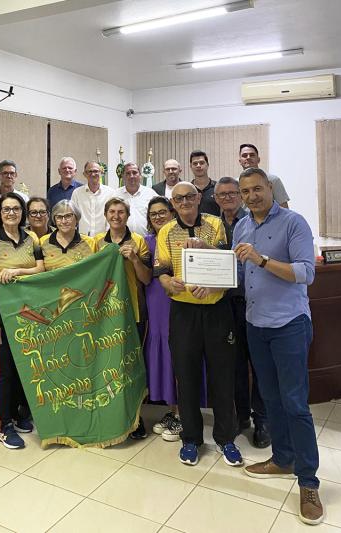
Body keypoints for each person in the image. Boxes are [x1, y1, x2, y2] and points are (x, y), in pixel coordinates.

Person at [232, 167, 321, 525]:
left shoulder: (293, 222)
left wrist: (262, 259)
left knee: (296, 404)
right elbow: (239, 275)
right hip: (256, 325)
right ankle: (282, 459)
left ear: (270, 188)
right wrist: (208, 271)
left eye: (257, 189)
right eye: (245, 191)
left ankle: (309, 481)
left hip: (289, 325)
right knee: (270, 399)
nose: (251, 196)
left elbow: (306, 272)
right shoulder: (241, 227)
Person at [155, 182, 242, 467]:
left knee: (222, 376)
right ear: (173, 202)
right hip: (183, 313)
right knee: (187, 376)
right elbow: (162, 272)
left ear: (199, 197)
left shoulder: (216, 225)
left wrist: (211, 283)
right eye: (178, 198)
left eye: (190, 196)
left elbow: (225, 264)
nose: (185, 202)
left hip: (217, 310)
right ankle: (191, 439)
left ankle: (226, 438)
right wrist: (169, 283)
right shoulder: (166, 231)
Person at [0, 193, 45, 449]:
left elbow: (40, 269)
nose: (11, 213)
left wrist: (17, 270)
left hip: (27, 315)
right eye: (6, 209)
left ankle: (19, 415)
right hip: (3, 316)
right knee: (3, 371)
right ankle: (2, 425)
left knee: (23, 368)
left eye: (16, 208)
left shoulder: (32, 238)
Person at [214, 177, 269, 449]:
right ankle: (242, 416)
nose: (228, 198)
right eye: (221, 194)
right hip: (226, 304)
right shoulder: (212, 225)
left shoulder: (253, 222)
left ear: (241, 195)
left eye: (233, 193)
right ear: (215, 198)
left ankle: (262, 420)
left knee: (259, 365)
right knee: (234, 364)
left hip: (255, 302)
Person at [93, 198, 152, 438]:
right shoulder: (97, 242)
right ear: (106, 215)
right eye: (112, 212)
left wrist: (135, 259)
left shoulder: (139, 241)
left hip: (134, 312)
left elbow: (147, 279)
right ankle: (111, 414)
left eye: (121, 212)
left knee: (132, 366)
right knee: (109, 366)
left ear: (127, 216)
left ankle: (136, 419)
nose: (116, 216)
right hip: (106, 314)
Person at [142, 197, 183, 441]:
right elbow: (146, 275)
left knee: (176, 354)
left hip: (177, 302)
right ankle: (170, 410)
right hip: (153, 304)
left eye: (162, 212)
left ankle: (181, 414)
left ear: (172, 213)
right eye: (153, 214)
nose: (158, 217)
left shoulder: (179, 239)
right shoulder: (146, 242)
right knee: (161, 356)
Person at [40, 200, 97, 270]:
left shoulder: (90, 242)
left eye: (68, 216)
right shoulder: (43, 241)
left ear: (77, 218)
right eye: (59, 217)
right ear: (54, 220)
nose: (64, 221)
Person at [238, 144, 290, 208]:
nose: (248, 157)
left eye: (252, 155)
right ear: (240, 161)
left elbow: (284, 209)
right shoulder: (235, 183)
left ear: (258, 159)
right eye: (244, 155)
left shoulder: (273, 180)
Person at [117, 162, 158, 236]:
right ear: (123, 176)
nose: (131, 176)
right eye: (128, 173)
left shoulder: (150, 194)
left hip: (146, 241)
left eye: (134, 173)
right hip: (122, 241)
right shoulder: (116, 195)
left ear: (140, 175)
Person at [189, 150, 219, 216]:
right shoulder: (187, 189)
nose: (198, 166)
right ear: (191, 166)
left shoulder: (218, 187)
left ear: (207, 165)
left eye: (202, 163)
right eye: (195, 163)